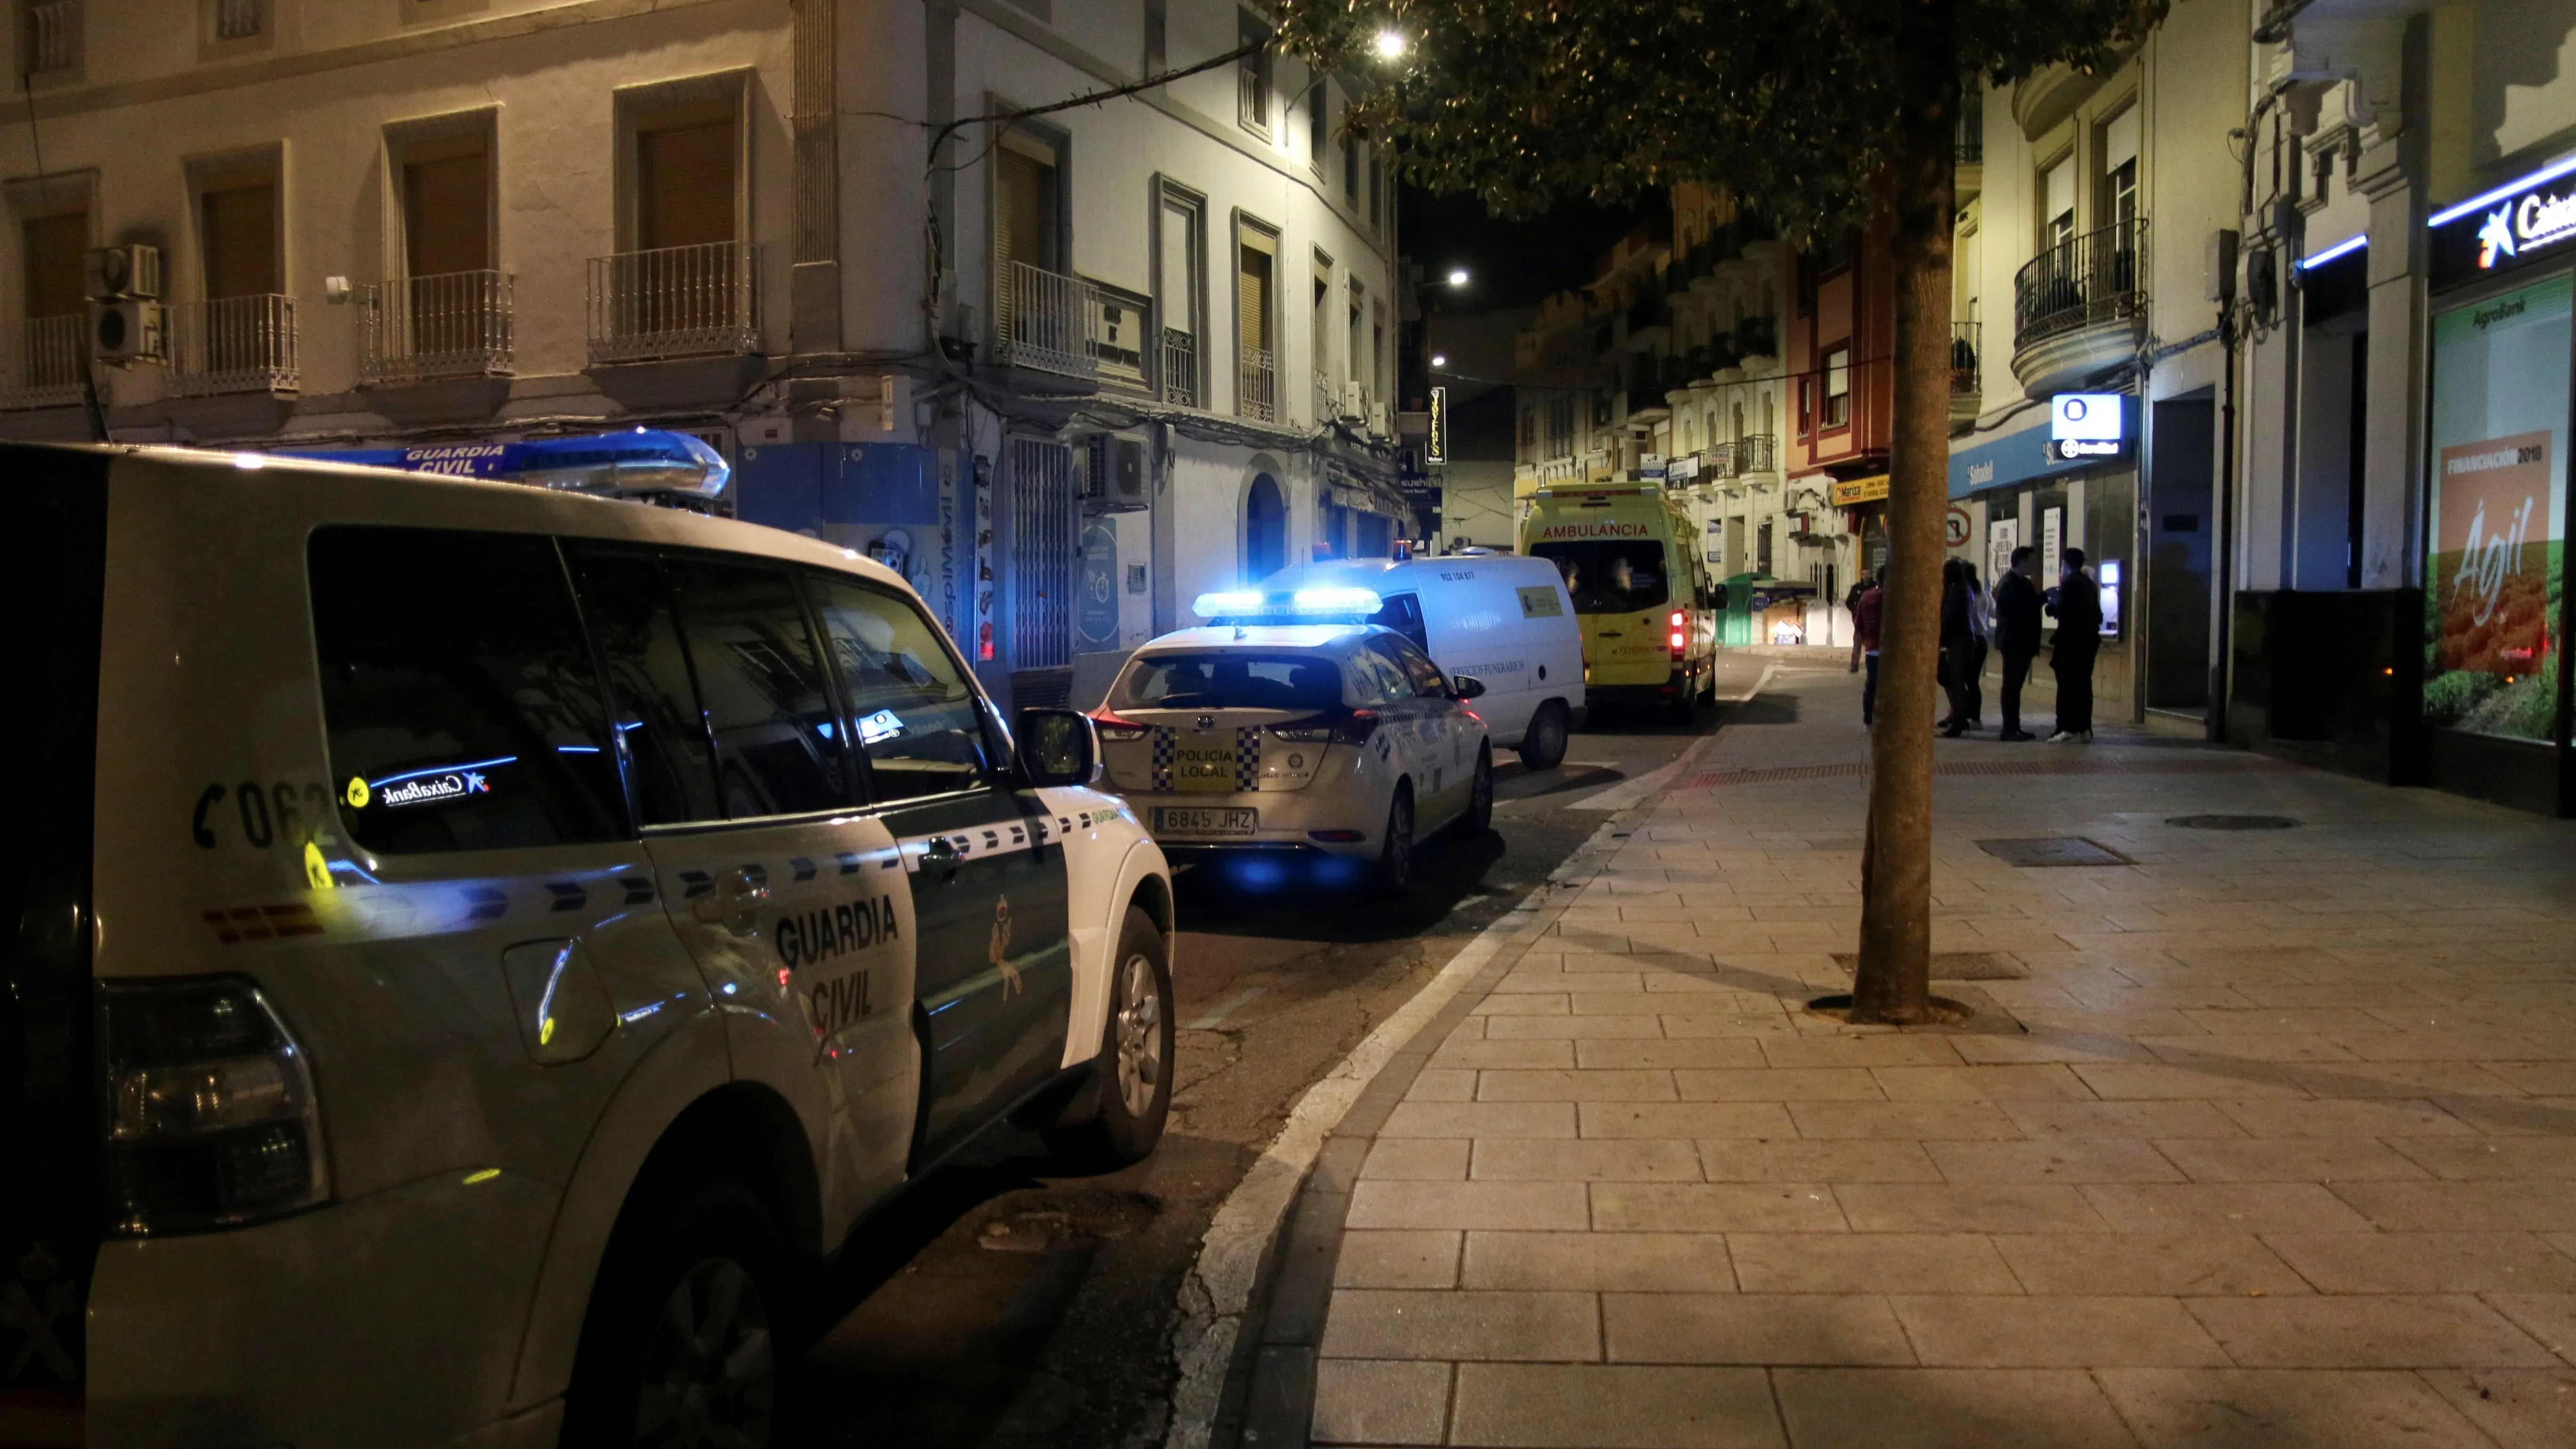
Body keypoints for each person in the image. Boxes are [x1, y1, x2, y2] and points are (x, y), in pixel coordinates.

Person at [2045, 546, 2104, 742]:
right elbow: (2098, 615)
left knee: (2067, 685)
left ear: (2065, 564)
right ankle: (2084, 727)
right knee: (2084, 685)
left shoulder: (2070, 583)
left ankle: (2067, 727)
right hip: (2088, 642)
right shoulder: (2089, 583)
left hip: (2071, 643)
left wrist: (2052, 605)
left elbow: (2063, 610)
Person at [1992, 546, 2043, 741]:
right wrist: (2041, 600)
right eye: (2031, 561)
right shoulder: (2009, 584)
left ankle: (2014, 725)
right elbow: (2015, 611)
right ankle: (2009, 728)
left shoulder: (2023, 583)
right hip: (2014, 643)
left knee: (2015, 686)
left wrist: (2041, 599)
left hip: (2022, 643)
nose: (2033, 565)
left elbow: (2028, 605)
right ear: (2021, 562)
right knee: (2011, 686)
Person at [1937, 558, 1976, 736]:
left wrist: (1942, 641)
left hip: (1958, 641)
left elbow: (1950, 617)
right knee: (1956, 681)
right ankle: (1959, 719)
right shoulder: (1964, 588)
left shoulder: (1956, 590)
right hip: (1964, 639)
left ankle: (1959, 721)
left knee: (1956, 681)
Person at [1849, 565, 1885, 726]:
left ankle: (1868, 718)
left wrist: (1867, 639)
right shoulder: (1896, 598)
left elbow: (1859, 624)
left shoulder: (1867, 596)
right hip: (1892, 650)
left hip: (1873, 648)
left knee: (1872, 682)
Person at [1963, 561, 1992, 728]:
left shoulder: (1966, 594)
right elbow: (1993, 613)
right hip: (1981, 640)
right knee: (1973, 680)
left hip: (1970, 640)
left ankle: (1971, 716)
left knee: (1968, 680)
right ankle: (1973, 716)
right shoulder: (1982, 594)